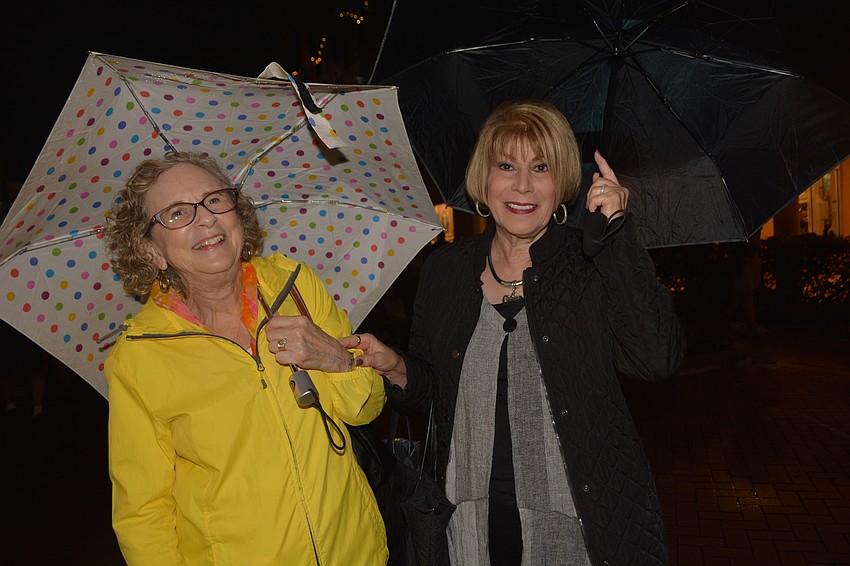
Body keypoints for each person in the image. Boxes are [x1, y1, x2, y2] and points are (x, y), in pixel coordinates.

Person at [342, 100, 687, 565]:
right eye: (506, 165)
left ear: (561, 181)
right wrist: (395, 365)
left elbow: (655, 359)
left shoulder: (590, 263)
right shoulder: (447, 271)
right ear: (483, 179)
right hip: (467, 527)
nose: (522, 185)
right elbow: (429, 395)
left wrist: (616, 235)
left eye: (540, 167)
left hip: (577, 527)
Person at [103, 151, 388, 565]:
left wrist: (338, 361)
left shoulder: (296, 286)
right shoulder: (139, 357)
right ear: (150, 251)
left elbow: (367, 409)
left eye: (214, 200)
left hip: (353, 551)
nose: (205, 219)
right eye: (177, 213)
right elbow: (142, 512)